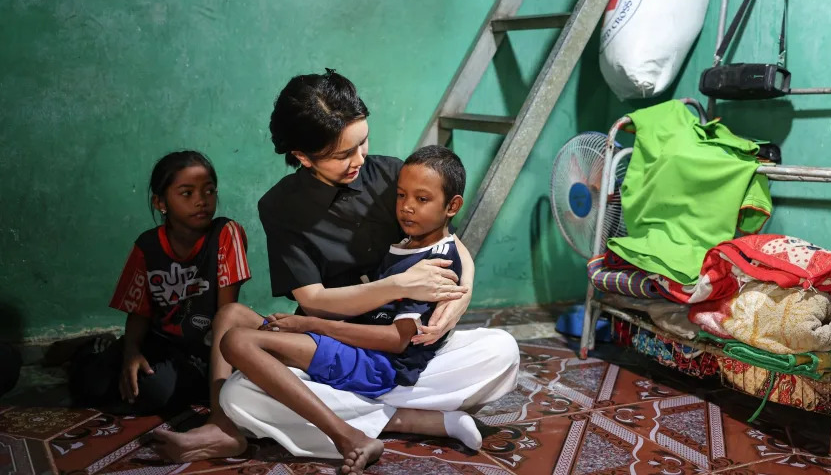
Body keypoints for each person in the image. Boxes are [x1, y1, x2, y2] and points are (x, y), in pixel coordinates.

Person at [153, 70, 519, 462]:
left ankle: (381, 414)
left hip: (397, 345)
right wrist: (399, 286)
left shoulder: (392, 174)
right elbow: (313, 303)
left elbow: (449, 239)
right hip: (332, 341)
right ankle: (224, 426)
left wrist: (460, 298)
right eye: (343, 154)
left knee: (502, 351)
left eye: (362, 143)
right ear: (302, 157)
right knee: (233, 363)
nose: (359, 159)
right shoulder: (280, 207)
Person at [220, 145, 482, 473]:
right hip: (353, 340)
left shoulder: (437, 263)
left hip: (375, 364)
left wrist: (312, 326)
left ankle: (349, 437)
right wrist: (313, 323)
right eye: (401, 196)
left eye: (421, 200)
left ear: (452, 206)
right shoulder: (403, 245)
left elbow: (395, 340)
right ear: (304, 155)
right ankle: (220, 428)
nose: (406, 208)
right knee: (230, 317)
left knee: (237, 343)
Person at [69, 151, 251, 415]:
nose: (201, 201)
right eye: (187, 193)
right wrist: (131, 352)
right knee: (90, 387)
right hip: (159, 342)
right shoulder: (148, 246)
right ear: (160, 202)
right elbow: (139, 311)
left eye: (209, 191)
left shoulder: (226, 233)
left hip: (204, 347)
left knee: (161, 392)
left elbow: (227, 315)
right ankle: (90, 349)